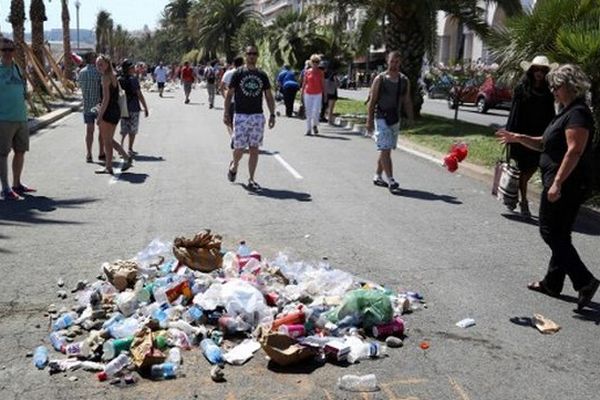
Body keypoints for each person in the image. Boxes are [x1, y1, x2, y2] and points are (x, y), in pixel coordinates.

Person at [496, 64, 599, 310]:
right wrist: (518, 137)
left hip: (569, 184)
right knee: (560, 234)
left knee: (549, 231)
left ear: (570, 86)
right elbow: (544, 143)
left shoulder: (579, 114)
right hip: (561, 181)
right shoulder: (565, 111)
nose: (552, 91)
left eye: (556, 86)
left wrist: (558, 183)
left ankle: (584, 281)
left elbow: (575, 151)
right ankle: (552, 283)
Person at [505, 55, 556, 217]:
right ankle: (524, 201)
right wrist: (511, 135)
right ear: (531, 71)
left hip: (539, 136)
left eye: (543, 70)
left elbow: (551, 114)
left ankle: (520, 197)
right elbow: (514, 113)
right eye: (537, 70)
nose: (539, 73)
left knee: (532, 168)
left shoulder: (549, 91)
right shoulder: (522, 88)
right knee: (522, 168)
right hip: (522, 134)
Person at [223, 45, 276, 191]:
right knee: (239, 148)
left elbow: (269, 96)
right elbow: (229, 94)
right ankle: (234, 165)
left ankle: (251, 179)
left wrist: (272, 114)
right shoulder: (238, 73)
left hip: (257, 116)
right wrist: (226, 112)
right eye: (249, 53)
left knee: (254, 148)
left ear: (257, 56)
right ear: (245, 56)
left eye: (254, 54)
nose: (252, 56)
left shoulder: (262, 75)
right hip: (240, 115)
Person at [366, 51, 414, 194]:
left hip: (394, 118)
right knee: (385, 149)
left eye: (397, 62)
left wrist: (411, 118)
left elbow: (407, 101)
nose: (394, 65)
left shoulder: (404, 80)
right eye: (392, 61)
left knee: (386, 149)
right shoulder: (380, 79)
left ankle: (377, 175)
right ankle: (391, 180)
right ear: (387, 61)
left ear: (400, 63)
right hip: (381, 117)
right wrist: (369, 120)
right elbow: (372, 101)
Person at [0, 38, 35, 200]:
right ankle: (5, 188)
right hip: (4, 118)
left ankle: (16, 184)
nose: (7, 53)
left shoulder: (17, 68)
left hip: (20, 117)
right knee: (3, 154)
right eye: (4, 50)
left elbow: (23, 88)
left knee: (20, 151)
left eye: (10, 49)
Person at [95, 54, 132, 175]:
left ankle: (109, 166)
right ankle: (124, 158)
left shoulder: (105, 77)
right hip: (115, 110)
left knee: (107, 141)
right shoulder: (113, 75)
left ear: (107, 64)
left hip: (108, 110)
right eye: (97, 64)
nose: (99, 66)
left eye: (101, 64)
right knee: (109, 139)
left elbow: (106, 99)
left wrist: (100, 116)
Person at [78, 51, 105, 163]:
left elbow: (80, 86)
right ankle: (101, 152)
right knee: (101, 131)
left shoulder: (81, 72)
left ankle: (89, 154)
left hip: (87, 105)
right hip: (99, 105)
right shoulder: (98, 72)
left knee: (89, 131)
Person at [119, 60, 149, 157]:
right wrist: (145, 107)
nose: (133, 69)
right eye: (132, 68)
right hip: (133, 107)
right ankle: (130, 149)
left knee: (124, 129)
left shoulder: (119, 79)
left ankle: (121, 148)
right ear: (128, 69)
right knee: (132, 129)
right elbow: (139, 94)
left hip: (123, 107)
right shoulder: (133, 80)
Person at [301, 54, 325, 136]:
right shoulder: (307, 72)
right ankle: (308, 129)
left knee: (316, 111)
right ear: (311, 62)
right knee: (308, 112)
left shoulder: (321, 72)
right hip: (308, 93)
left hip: (318, 94)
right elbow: (304, 83)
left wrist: (324, 94)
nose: (315, 63)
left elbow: (323, 84)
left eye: (317, 62)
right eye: (314, 62)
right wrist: (302, 92)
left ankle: (315, 125)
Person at [221, 56, 244, 138]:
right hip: (242, 101)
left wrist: (225, 97)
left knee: (228, 120)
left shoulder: (228, 73)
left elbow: (222, 86)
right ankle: (237, 136)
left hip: (231, 101)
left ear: (233, 64)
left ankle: (233, 136)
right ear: (243, 63)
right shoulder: (245, 73)